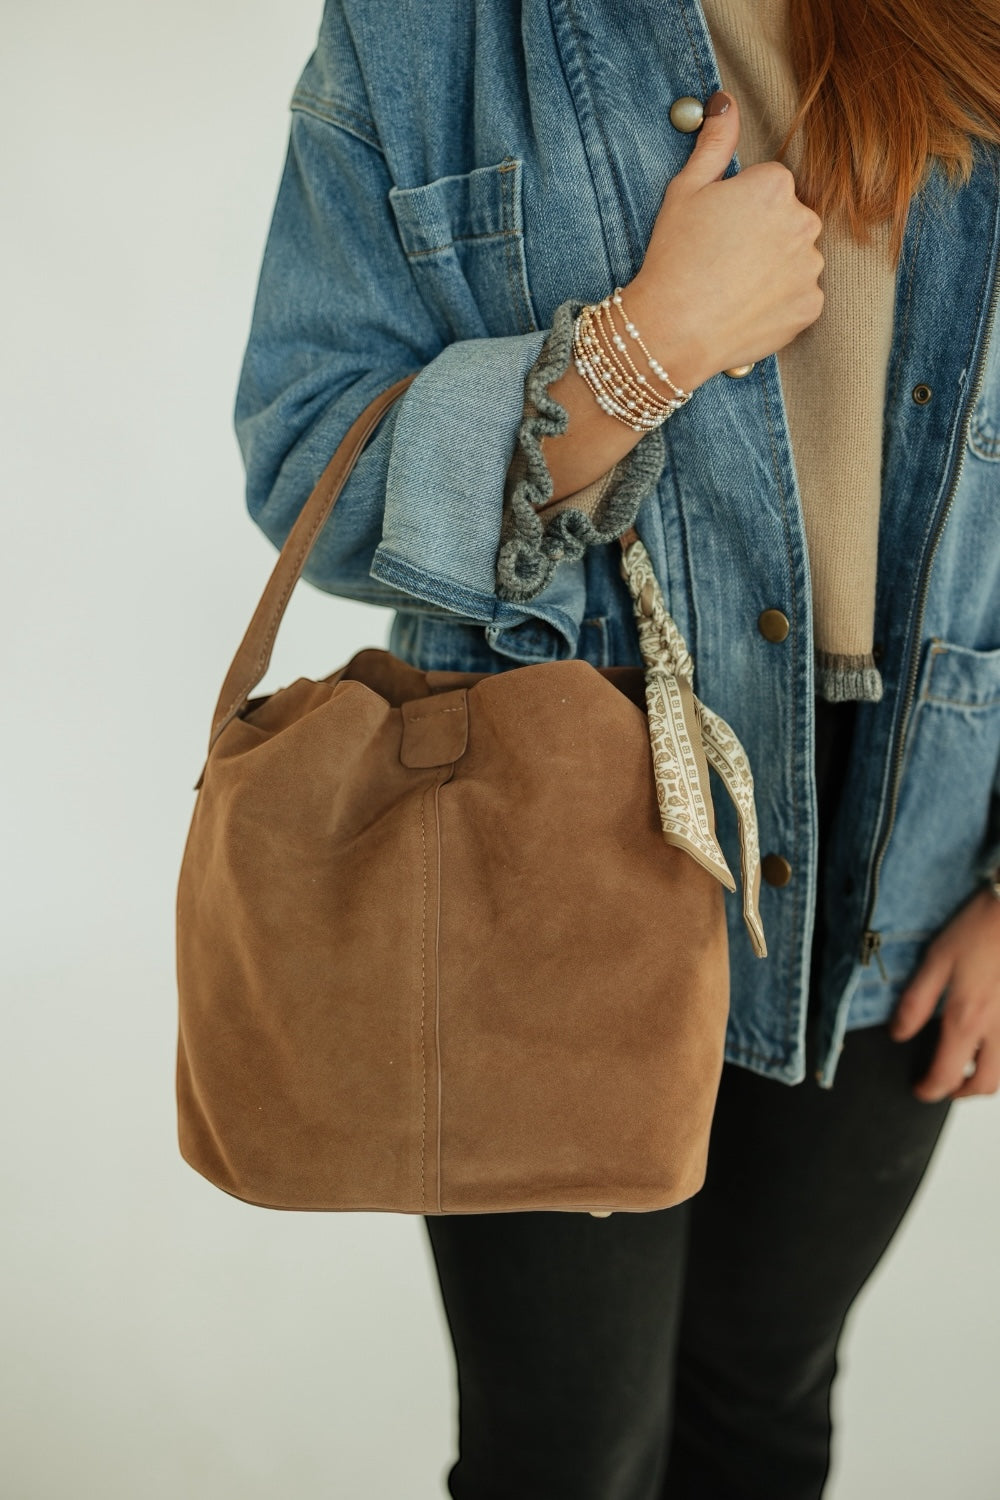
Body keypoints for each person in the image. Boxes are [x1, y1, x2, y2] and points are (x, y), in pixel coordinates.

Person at [233, 1, 1000, 1493]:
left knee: (765, 1409)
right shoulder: (426, 33)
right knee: (566, 1457)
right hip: (550, 821)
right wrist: (642, 352)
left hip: (899, 852)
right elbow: (303, 450)